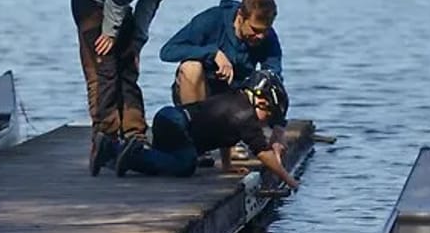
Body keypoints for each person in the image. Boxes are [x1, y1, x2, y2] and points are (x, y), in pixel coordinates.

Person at [72, 0, 233, 176]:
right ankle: (105, 139)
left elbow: (150, 0)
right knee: (106, 69)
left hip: (116, 4)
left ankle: (134, 136)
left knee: (129, 66)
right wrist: (111, 32)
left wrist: (137, 39)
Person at [93, 69, 299, 191]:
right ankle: (129, 153)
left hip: (169, 119)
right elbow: (263, 154)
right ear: (261, 101)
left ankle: (113, 153)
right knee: (186, 164)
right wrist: (289, 180)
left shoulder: (237, 102)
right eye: (269, 115)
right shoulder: (245, 115)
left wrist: (226, 165)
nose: (266, 123)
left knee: (172, 161)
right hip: (176, 122)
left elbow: (225, 138)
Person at [160, 0, 282, 168]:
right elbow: (167, 51)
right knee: (191, 67)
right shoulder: (212, 20)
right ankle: (194, 142)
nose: (260, 36)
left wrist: (278, 128)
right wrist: (212, 53)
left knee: (262, 86)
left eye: (265, 31)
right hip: (197, 95)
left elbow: (274, 81)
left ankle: (227, 145)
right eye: (255, 30)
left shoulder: (268, 39)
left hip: (232, 102)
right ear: (241, 16)